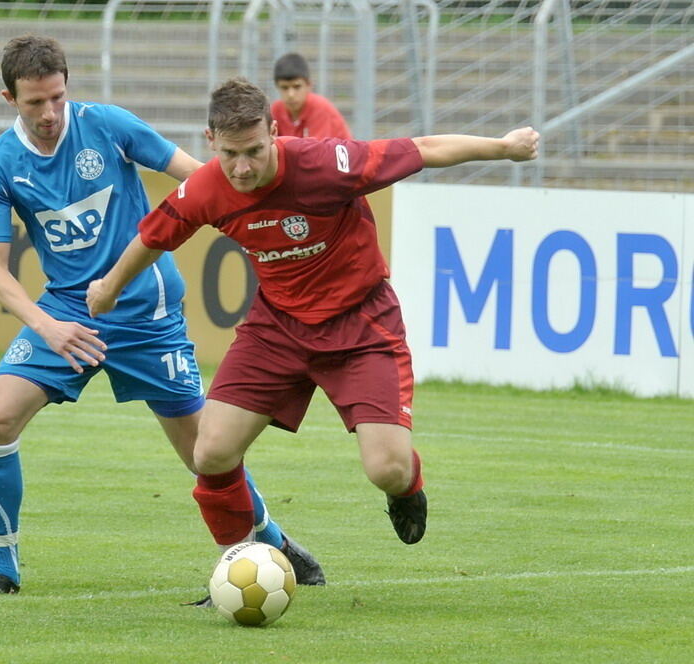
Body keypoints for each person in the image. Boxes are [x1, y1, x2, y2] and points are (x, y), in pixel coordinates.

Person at [87, 77, 539, 554]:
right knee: (211, 451)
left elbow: (422, 148)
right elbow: (154, 237)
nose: (242, 168)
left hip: (361, 324)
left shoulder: (328, 164)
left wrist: (503, 148)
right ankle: (239, 564)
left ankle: (406, 484)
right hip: (277, 328)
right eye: (230, 154)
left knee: (387, 468)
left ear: (274, 132)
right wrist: (109, 287)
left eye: (255, 151)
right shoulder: (207, 188)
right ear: (210, 141)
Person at [0, 39, 324, 595]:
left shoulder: (107, 125)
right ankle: (3, 569)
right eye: (35, 104)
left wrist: (268, 216)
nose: (50, 113)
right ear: (10, 98)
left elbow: (200, 177)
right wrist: (48, 327)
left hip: (147, 311)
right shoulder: (0, 165)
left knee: (204, 455)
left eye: (57, 97)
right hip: (66, 315)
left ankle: (269, 539)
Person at [270, 52, 352, 140]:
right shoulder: (276, 110)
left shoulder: (320, 108)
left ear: (309, 85)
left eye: (297, 87)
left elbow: (315, 151)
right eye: (284, 88)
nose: (291, 94)